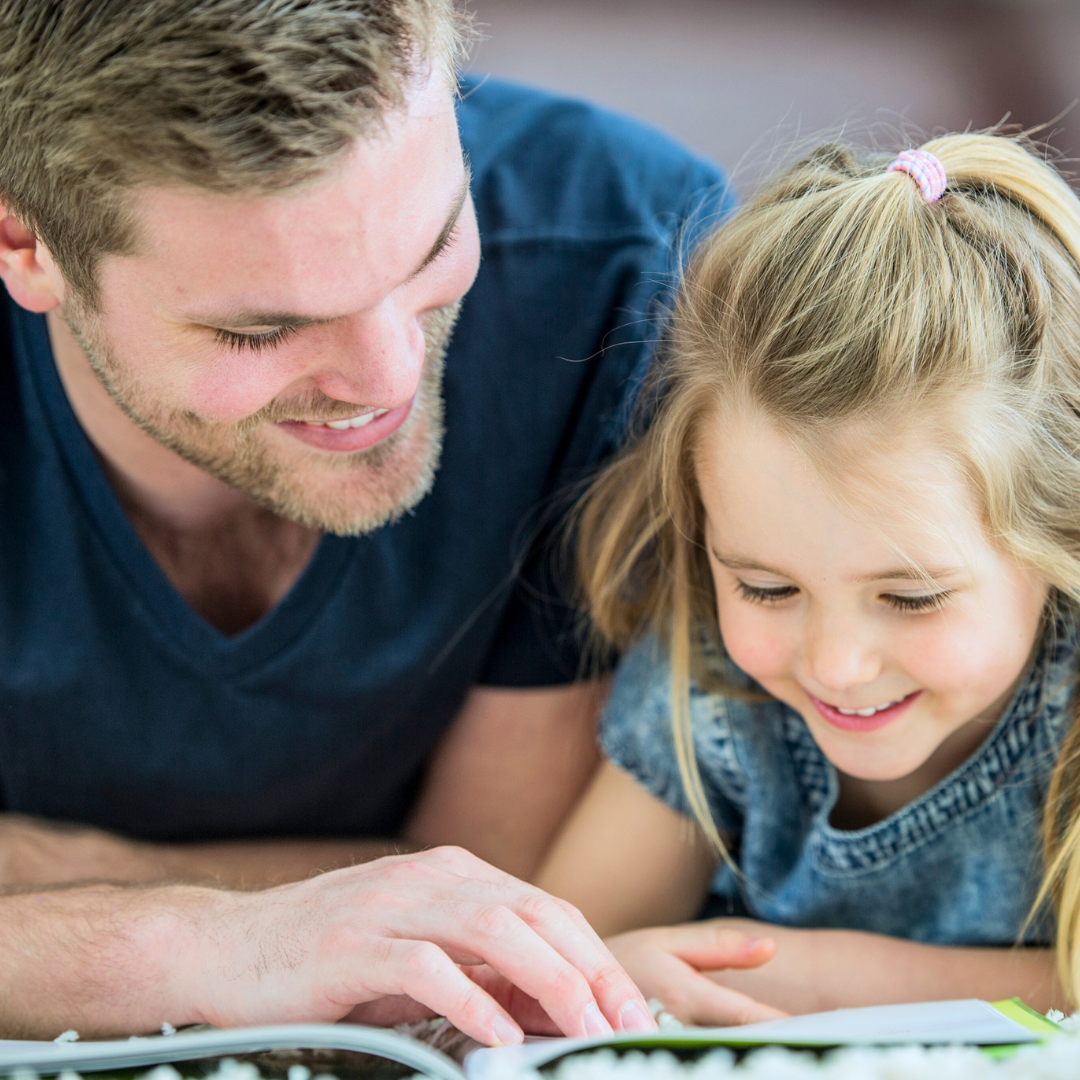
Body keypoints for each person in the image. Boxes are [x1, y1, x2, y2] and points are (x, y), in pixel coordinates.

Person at [0, 0, 734, 1043]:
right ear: (26, 242)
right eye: (263, 327)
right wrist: (199, 944)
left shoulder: (626, 272)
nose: (387, 381)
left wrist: (41, 887)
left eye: (433, 244)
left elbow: (488, 913)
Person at [537, 134, 1080, 1023]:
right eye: (766, 588)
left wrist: (826, 978)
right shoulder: (709, 696)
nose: (835, 665)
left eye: (910, 597)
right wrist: (618, 967)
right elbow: (564, 953)